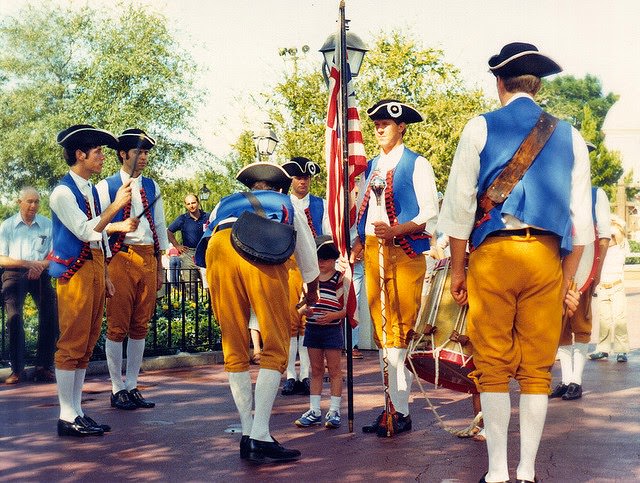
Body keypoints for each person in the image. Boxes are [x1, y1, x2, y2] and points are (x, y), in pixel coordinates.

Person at [437, 42, 593, 483]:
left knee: (493, 365)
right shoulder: (570, 135)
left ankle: (496, 473)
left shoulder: (480, 127)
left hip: (493, 256)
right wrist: (568, 282)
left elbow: (458, 208)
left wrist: (458, 270)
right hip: (545, 256)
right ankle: (526, 471)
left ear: (499, 82)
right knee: (537, 370)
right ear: (537, 85)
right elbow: (581, 223)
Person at [195, 162, 319, 464]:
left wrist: (213, 285)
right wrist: (312, 289)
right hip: (259, 247)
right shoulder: (286, 203)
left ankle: (247, 432)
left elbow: (203, 249)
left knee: (234, 347)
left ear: (251, 187)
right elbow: (306, 251)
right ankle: (260, 436)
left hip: (218, 251)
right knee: (276, 346)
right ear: (280, 187)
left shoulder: (224, 203)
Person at [350, 99, 439, 437]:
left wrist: (397, 230)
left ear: (402, 127)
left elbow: (428, 209)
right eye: (377, 123)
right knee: (381, 330)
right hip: (374, 250)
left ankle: (400, 410)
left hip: (403, 250)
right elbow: (363, 208)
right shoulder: (371, 166)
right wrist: (359, 241)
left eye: (387, 122)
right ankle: (392, 406)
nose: (380, 127)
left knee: (398, 329)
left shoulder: (418, 164)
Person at [49, 124, 135, 437]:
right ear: (80, 154)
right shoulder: (62, 192)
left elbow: (97, 239)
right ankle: (66, 415)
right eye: (97, 152)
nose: (102, 157)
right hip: (75, 271)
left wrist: (107, 273)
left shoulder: (86, 188)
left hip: (95, 266)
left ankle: (78, 411)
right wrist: (116, 205)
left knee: (86, 343)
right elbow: (86, 231)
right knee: (72, 341)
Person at [97, 128, 170, 411]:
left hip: (148, 258)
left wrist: (161, 263)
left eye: (147, 153)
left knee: (141, 325)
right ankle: (117, 389)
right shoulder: (106, 186)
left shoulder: (152, 187)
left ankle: (133, 385)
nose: (144, 158)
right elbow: (95, 225)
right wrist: (118, 226)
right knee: (117, 326)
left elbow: (161, 226)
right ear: (123, 154)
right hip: (120, 256)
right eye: (139, 152)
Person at [550, 186, 611, 400]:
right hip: (556, 268)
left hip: (582, 269)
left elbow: (603, 237)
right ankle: (566, 380)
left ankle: (577, 380)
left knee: (581, 324)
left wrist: (596, 272)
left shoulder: (596, 194)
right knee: (561, 326)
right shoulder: (558, 187)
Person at [280, 157, 330, 396]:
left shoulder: (321, 205)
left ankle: (307, 374)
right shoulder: (283, 203)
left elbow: (328, 236)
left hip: (313, 266)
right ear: (291, 180)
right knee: (290, 322)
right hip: (289, 266)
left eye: (306, 178)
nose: (303, 182)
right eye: (298, 177)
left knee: (309, 320)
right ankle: (290, 374)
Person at [0, 187, 57, 384]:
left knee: (50, 315)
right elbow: (1, 258)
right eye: (29, 201)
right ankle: (17, 370)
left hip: (40, 273)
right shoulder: (6, 227)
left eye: (37, 202)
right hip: (15, 273)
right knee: (14, 318)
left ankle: (43, 366)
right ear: (19, 202)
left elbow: (54, 254)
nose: (33, 206)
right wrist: (26, 264)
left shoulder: (48, 225)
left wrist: (40, 266)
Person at [294, 236, 346, 430]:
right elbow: (300, 307)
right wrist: (305, 311)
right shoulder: (310, 282)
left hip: (332, 329)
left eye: (326, 258)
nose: (321, 263)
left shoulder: (340, 279)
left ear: (333, 259)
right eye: (318, 259)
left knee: (334, 370)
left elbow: (346, 309)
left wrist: (333, 316)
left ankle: (334, 410)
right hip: (313, 329)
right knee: (315, 370)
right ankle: (314, 410)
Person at [589, 214, 630, 362]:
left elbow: (622, 225)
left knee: (620, 319)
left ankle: (622, 351)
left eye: (613, 234)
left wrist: (610, 218)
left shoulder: (622, 246)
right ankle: (603, 349)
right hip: (603, 288)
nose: (610, 237)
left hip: (617, 287)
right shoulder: (601, 250)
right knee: (604, 319)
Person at [167, 193, 209, 288]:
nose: (191, 205)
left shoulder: (207, 217)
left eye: (193, 203)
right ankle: (192, 303)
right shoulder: (182, 219)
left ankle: (210, 303)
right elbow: (169, 231)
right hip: (188, 254)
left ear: (198, 203)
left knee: (209, 285)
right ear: (186, 205)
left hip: (205, 253)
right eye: (188, 204)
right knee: (190, 286)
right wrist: (177, 246)